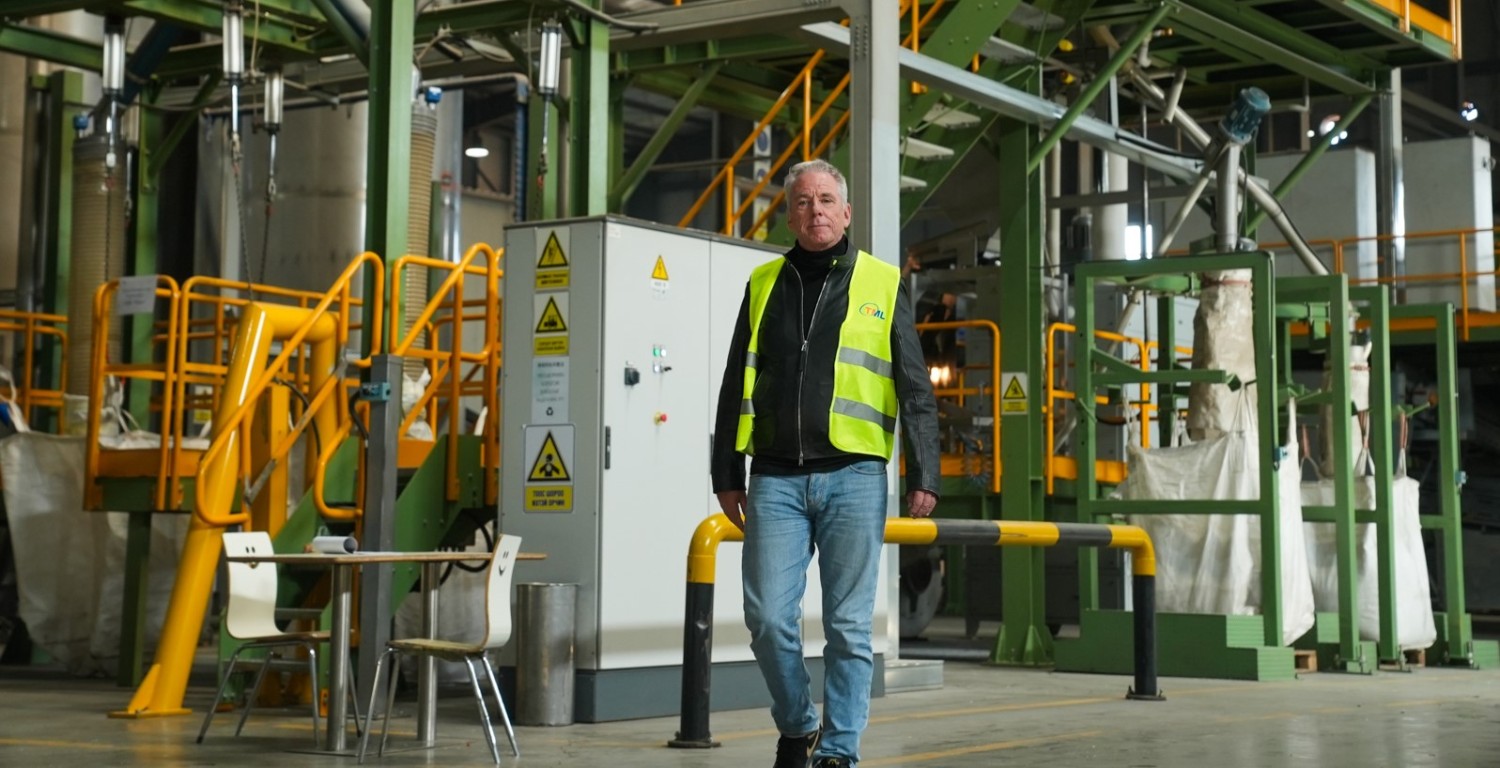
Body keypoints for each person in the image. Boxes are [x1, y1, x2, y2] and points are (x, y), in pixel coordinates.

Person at [711, 159, 940, 768]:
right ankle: (798, 725)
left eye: (826, 200)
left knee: (848, 626)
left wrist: (926, 473)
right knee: (766, 619)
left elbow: (915, 387)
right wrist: (725, 473)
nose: (815, 210)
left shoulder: (883, 282)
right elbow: (736, 381)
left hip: (855, 476)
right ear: (790, 216)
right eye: (803, 201)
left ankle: (838, 751)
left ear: (846, 213)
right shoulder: (763, 283)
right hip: (775, 477)